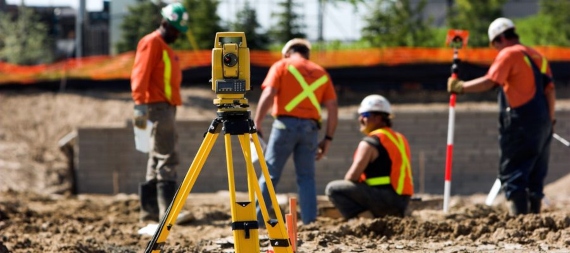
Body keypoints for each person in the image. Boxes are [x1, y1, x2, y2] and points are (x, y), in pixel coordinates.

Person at [447, 17, 556, 215]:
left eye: (495, 45)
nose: (496, 49)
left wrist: (461, 87)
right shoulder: (537, 56)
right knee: (535, 173)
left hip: (520, 122)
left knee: (513, 171)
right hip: (543, 122)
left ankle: (520, 219)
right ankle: (534, 218)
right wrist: (550, 121)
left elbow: (491, 81)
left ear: (500, 39)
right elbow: (550, 90)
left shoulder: (509, 54)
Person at [254, 38, 338, 225]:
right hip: (310, 129)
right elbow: (332, 107)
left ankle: (257, 221)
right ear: (307, 54)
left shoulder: (281, 66)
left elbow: (268, 94)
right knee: (306, 177)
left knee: (270, 174)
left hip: (284, 126)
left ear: (286, 53)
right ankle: (309, 221)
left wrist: (257, 123)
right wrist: (328, 138)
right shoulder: (321, 73)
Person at [130, 2, 188, 222]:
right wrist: (139, 107)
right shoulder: (151, 42)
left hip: (165, 107)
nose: (177, 35)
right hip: (157, 107)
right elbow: (140, 74)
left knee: (156, 158)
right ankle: (168, 212)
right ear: (165, 23)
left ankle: (151, 212)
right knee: (167, 156)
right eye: (175, 30)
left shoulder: (165, 47)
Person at [325, 95, 413, 219]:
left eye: (365, 115)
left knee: (334, 189)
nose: (360, 119)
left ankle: (365, 219)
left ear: (378, 118)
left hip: (384, 200)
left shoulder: (370, 142)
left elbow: (351, 177)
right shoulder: (399, 138)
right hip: (403, 202)